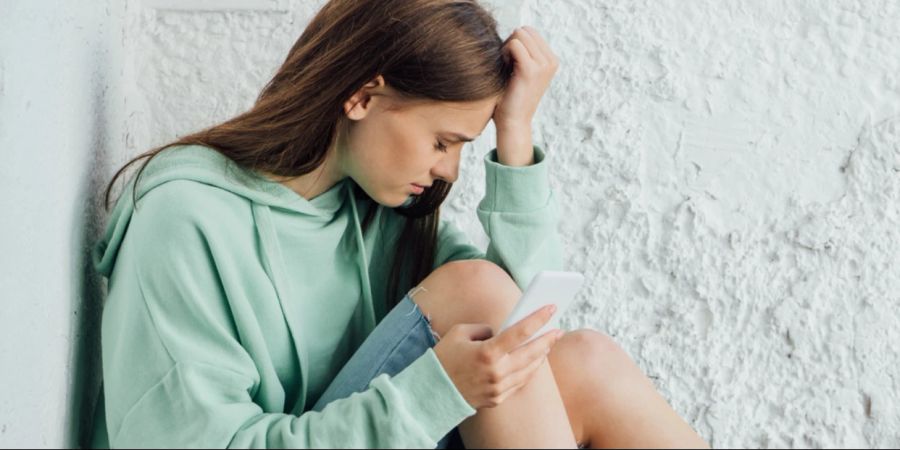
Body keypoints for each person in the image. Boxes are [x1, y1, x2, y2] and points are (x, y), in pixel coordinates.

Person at [88, 0, 710, 448]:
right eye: (443, 141)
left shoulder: (376, 215)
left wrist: (515, 138)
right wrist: (435, 390)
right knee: (475, 292)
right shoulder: (184, 219)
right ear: (361, 97)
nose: (451, 171)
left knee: (585, 361)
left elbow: (529, 327)